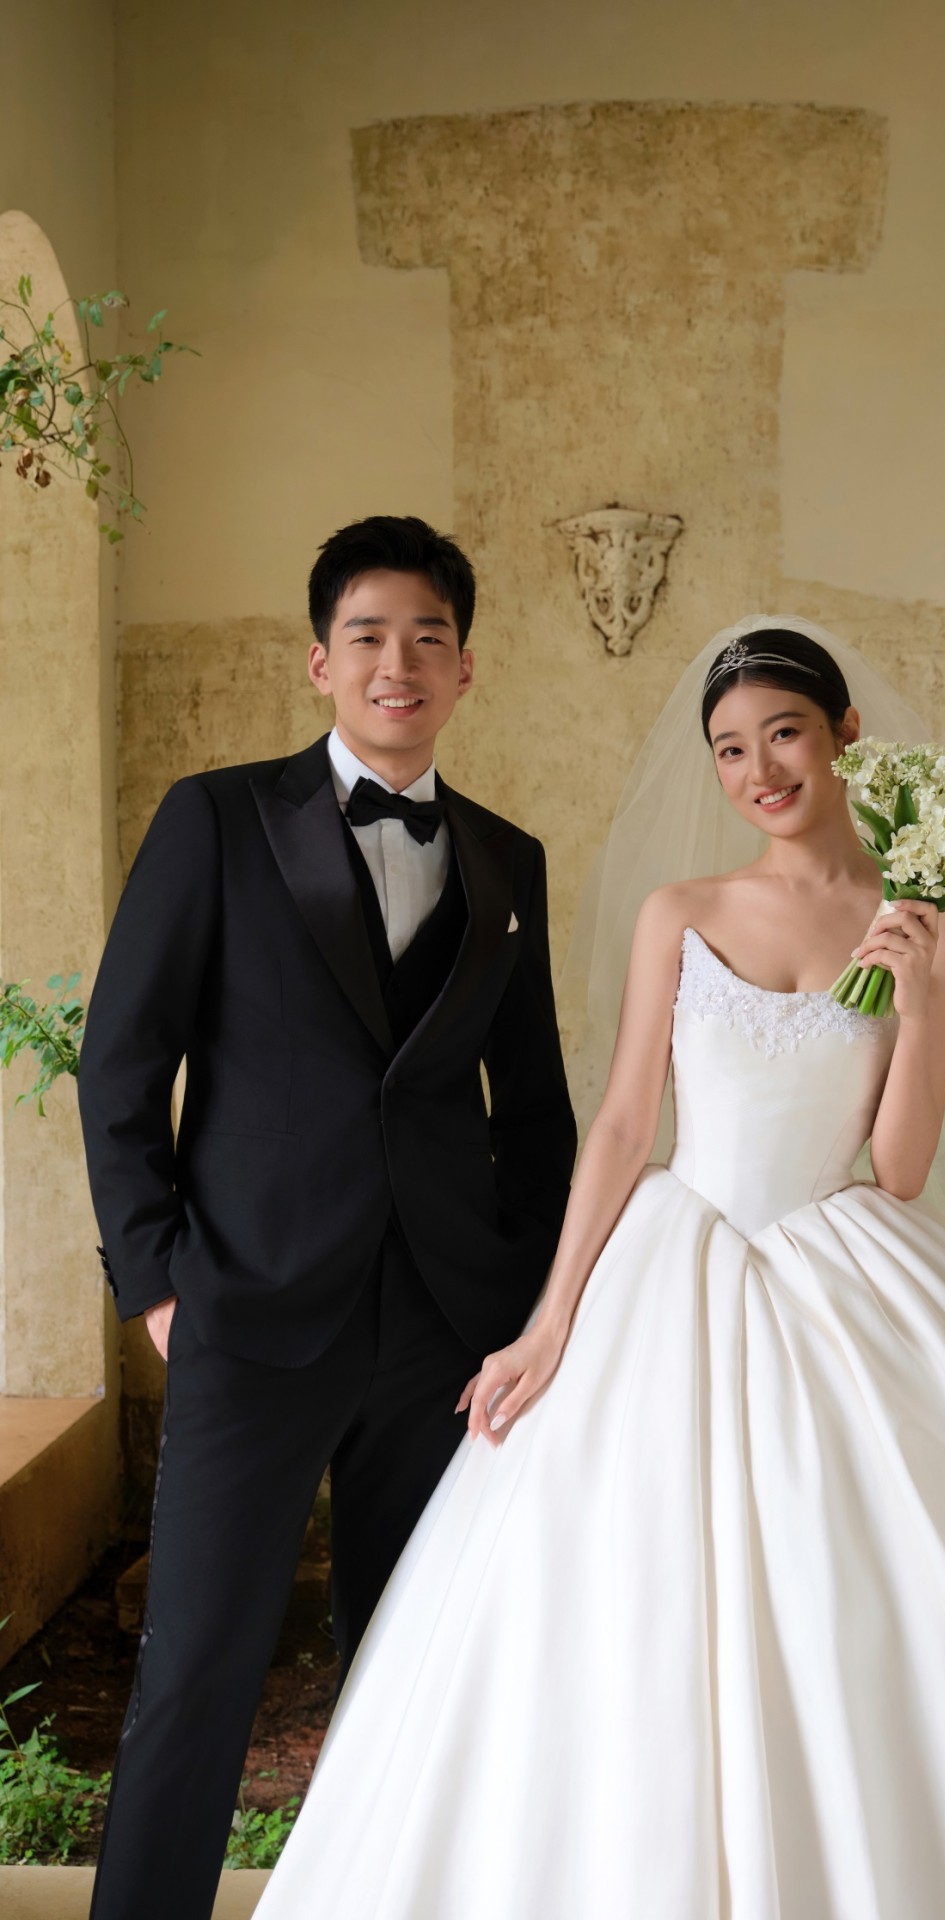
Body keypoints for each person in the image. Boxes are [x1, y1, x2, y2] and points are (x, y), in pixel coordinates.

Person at [255, 619, 945, 1920]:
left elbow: (898, 1167)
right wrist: (552, 1323)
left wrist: (916, 997)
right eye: (730, 750)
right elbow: (625, 1123)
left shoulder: (930, 929)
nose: (758, 771)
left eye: (783, 735)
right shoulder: (679, 916)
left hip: (846, 1264)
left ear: (845, 735)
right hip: (672, 1265)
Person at [76, 514, 576, 1920]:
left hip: (445, 1336)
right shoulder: (216, 819)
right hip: (245, 1310)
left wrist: (528, 1312)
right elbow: (123, 1064)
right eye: (367, 636)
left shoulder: (509, 860)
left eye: (428, 637)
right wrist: (157, 1284)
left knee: (415, 1672)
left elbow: (535, 1111)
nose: (396, 662)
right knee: (196, 1672)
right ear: (319, 662)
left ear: (466, 668)